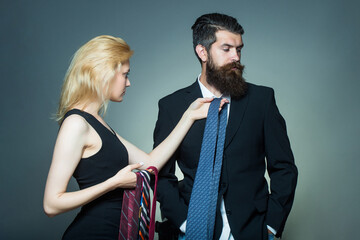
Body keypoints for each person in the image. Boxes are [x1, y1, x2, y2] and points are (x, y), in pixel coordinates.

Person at [43, 35, 226, 240]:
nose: (128, 83)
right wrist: (113, 183)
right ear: (103, 73)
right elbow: (52, 203)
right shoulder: (76, 123)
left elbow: (149, 163)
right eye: (125, 74)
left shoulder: (96, 122)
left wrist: (188, 116)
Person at [153, 13, 298, 240]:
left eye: (239, 49)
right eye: (227, 49)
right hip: (192, 230)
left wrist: (271, 226)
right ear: (202, 52)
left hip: (252, 229)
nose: (236, 57)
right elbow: (160, 175)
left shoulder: (261, 99)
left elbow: (284, 167)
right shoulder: (172, 106)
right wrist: (184, 222)